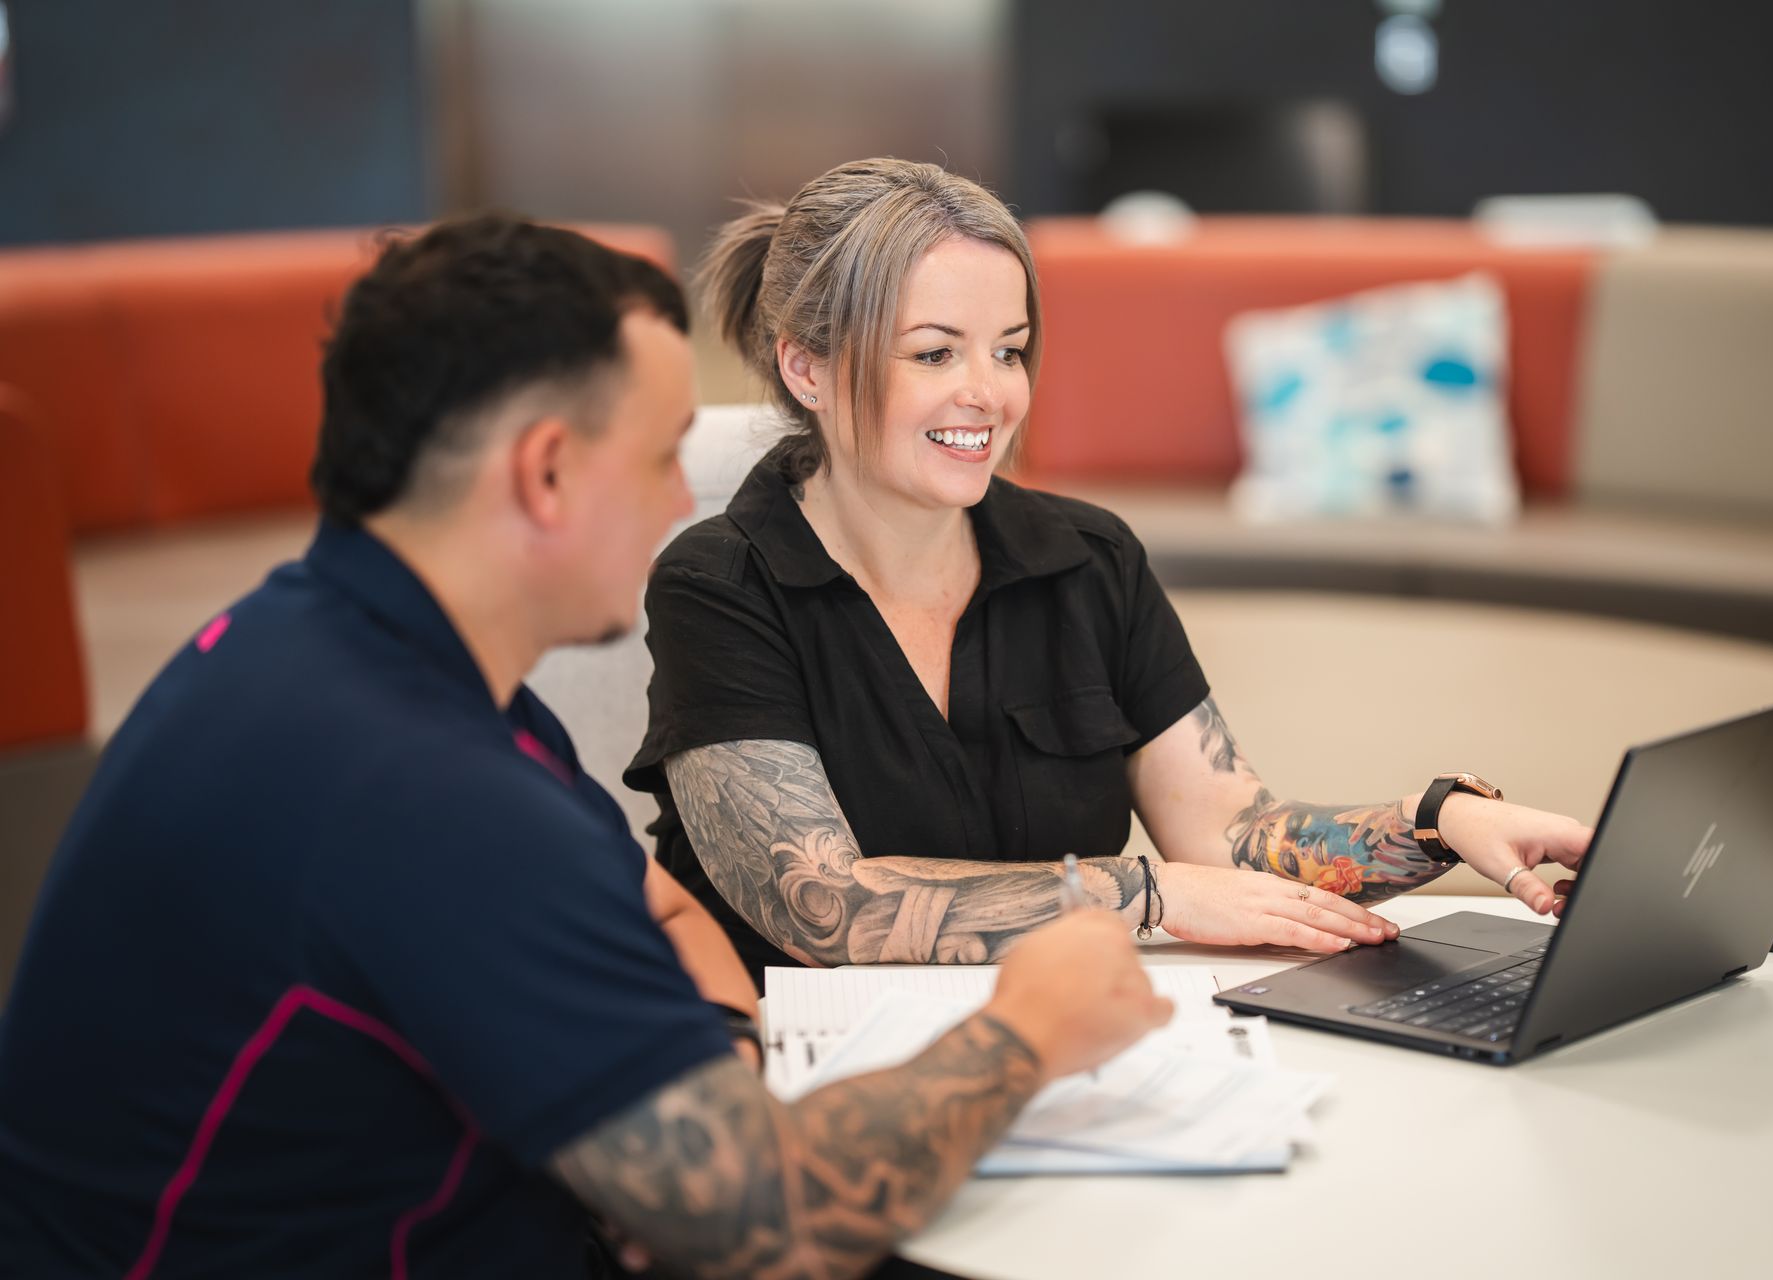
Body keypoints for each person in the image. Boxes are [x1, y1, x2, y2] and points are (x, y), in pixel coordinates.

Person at [0, 215, 1171, 1278]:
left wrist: (708, 1063)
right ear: (546, 471)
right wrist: (1028, 1027)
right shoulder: (423, 792)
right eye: (661, 458)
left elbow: (651, 903)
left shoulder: (325, 645)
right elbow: (767, 1223)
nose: (676, 505)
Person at [626, 158, 1595, 985]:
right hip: (803, 1068)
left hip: (1066, 1038)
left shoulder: (1090, 560)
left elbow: (1231, 833)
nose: (990, 394)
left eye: (1010, 351)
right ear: (806, 369)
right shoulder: (718, 586)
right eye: (935, 353)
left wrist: (1437, 822)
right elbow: (824, 904)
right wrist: (1146, 894)